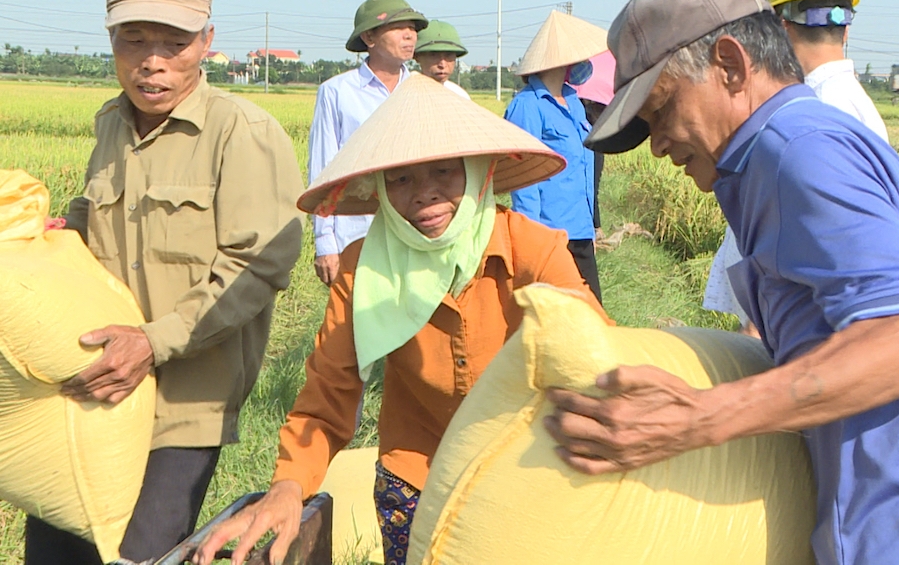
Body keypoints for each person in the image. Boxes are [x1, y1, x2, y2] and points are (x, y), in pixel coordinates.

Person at [549, 0, 899, 564]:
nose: (657, 144)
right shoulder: (769, 158)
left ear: (731, 65)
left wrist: (700, 419)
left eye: (660, 111)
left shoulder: (798, 152)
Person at [193, 75, 607, 565]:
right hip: (417, 473)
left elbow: (596, 355)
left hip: (526, 464)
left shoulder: (531, 249)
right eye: (403, 179)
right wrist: (287, 487)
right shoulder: (361, 268)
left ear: (478, 173)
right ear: (381, 188)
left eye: (445, 172)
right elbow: (328, 395)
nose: (425, 196)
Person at [48, 0, 305, 565]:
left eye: (175, 42)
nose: (153, 61)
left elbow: (258, 266)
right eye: (134, 40)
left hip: (184, 405)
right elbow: (100, 213)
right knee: (58, 549)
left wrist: (152, 341)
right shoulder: (111, 124)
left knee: (137, 555)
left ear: (207, 42)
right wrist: (62, 230)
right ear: (111, 38)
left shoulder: (242, 131)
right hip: (96, 386)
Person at [704, 0, 889, 335]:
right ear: (847, 28)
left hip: (796, 329)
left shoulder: (811, 114)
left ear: (779, 29)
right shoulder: (854, 105)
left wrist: (758, 326)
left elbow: (805, 240)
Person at [309, 0, 429, 286]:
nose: (409, 35)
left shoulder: (422, 90)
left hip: (415, 230)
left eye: (413, 27)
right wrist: (325, 242)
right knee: (355, 323)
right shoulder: (337, 92)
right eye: (398, 27)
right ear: (369, 37)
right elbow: (323, 167)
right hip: (355, 232)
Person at [504, 10, 608, 302]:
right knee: (556, 318)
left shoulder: (573, 100)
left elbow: (585, 167)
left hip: (579, 232)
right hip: (549, 235)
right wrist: (531, 241)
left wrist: (589, 228)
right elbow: (524, 176)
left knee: (592, 314)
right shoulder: (527, 106)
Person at [568, 50, 616, 235]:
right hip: (593, 137)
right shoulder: (601, 90)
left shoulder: (575, 98)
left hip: (593, 138)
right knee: (590, 182)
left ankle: (594, 224)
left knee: (590, 182)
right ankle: (595, 225)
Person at [414, 19, 470, 99]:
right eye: (433, 55)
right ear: (417, 57)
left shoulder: (460, 96)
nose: (442, 64)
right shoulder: (405, 95)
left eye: (449, 55)